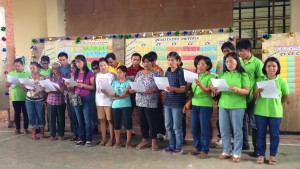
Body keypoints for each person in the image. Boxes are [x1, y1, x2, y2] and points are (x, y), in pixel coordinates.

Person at [210, 52, 250, 163]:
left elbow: (247, 91)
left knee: (237, 130)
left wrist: (237, 89)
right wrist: (214, 89)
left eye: (231, 61)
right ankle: (226, 151)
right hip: (223, 105)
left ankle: (237, 153)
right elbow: (218, 89)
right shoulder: (223, 74)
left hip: (238, 106)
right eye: (227, 62)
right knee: (224, 129)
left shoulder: (243, 75)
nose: (229, 64)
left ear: (237, 61)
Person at [254, 57, 289, 165]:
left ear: (277, 68)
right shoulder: (259, 80)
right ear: (265, 68)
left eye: (274, 66)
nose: (271, 68)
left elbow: (285, 96)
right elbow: (254, 95)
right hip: (260, 112)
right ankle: (261, 155)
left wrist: (277, 104)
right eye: (268, 66)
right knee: (260, 134)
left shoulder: (282, 81)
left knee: (274, 135)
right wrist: (256, 91)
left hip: (275, 113)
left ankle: (272, 155)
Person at [237, 39, 264, 157]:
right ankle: (244, 144)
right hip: (240, 98)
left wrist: (256, 95)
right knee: (241, 123)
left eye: (242, 51)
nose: (240, 54)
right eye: (238, 51)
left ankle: (257, 149)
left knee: (254, 124)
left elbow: (262, 79)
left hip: (253, 98)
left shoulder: (257, 63)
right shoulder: (239, 62)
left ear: (248, 50)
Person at [129, 54, 161, 151]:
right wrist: (132, 90)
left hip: (151, 101)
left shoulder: (156, 73)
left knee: (152, 122)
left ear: (152, 62)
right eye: (144, 62)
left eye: (148, 62)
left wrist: (154, 90)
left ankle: (154, 141)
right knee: (142, 121)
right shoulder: (139, 73)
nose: (146, 64)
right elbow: (134, 85)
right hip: (139, 101)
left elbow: (161, 87)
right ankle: (144, 140)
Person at [189, 55, 215, 158]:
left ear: (207, 66)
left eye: (203, 64)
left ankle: (205, 149)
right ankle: (197, 147)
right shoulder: (195, 76)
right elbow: (192, 91)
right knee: (194, 127)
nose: (200, 66)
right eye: (198, 64)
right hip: (195, 104)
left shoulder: (211, 77)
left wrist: (200, 85)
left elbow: (210, 94)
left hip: (205, 105)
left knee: (204, 128)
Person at [67, 55, 95, 146]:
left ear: (84, 62)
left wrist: (84, 86)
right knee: (79, 119)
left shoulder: (90, 73)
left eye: (79, 62)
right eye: (76, 62)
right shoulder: (74, 73)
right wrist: (69, 85)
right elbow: (71, 87)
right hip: (76, 97)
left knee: (87, 120)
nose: (77, 64)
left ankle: (88, 139)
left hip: (86, 97)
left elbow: (93, 87)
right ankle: (81, 138)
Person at [162, 52, 186, 155]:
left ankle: (179, 147)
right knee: (168, 126)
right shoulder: (167, 72)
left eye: (172, 60)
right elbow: (166, 86)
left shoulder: (180, 72)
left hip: (177, 104)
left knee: (177, 127)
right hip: (168, 102)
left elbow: (183, 89)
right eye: (169, 60)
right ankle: (171, 145)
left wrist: (173, 89)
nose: (170, 62)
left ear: (178, 61)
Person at [105, 66, 132, 148]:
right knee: (117, 124)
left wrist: (115, 97)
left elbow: (125, 95)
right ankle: (117, 142)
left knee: (128, 124)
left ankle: (128, 142)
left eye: (120, 72)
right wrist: (106, 92)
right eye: (117, 72)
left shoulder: (129, 82)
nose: (118, 74)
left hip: (126, 105)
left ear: (125, 73)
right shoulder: (114, 82)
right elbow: (110, 93)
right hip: (115, 106)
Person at [215, 42, 235, 146]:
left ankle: (233, 137)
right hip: (221, 93)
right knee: (221, 118)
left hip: (234, 94)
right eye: (224, 51)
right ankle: (221, 136)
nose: (226, 53)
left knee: (234, 119)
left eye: (228, 51)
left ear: (233, 51)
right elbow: (217, 76)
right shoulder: (219, 62)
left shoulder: (238, 62)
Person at [21, 62, 47, 140]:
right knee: (31, 116)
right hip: (29, 100)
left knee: (40, 115)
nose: (32, 70)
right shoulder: (28, 78)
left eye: (34, 68)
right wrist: (22, 86)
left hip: (40, 99)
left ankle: (42, 133)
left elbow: (44, 90)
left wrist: (39, 89)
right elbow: (26, 90)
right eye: (31, 68)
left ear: (38, 69)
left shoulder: (43, 78)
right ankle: (33, 134)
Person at [5, 58, 31, 134]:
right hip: (16, 97)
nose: (17, 67)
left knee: (26, 113)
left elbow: (31, 84)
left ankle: (26, 128)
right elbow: (6, 85)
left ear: (22, 65)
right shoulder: (11, 74)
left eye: (18, 66)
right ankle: (18, 128)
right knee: (17, 113)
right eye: (15, 66)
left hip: (26, 96)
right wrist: (8, 84)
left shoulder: (28, 73)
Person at [96, 58, 116, 146]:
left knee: (110, 120)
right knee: (102, 120)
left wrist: (107, 92)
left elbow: (114, 89)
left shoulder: (112, 75)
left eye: (104, 65)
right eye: (101, 66)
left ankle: (112, 139)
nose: (103, 67)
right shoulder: (97, 75)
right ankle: (103, 139)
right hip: (99, 101)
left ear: (108, 65)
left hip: (109, 101)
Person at [47, 62, 66, 141]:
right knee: (51, 119)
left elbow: (63, 88)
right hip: (51, 101)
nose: (55, 69)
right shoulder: (49, 77)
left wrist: (61, 89)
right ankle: (52, 135)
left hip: (61, 100)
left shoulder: (64, 77)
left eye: (56, 68)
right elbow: (47, 88)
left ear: (60, 68)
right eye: (53, 68)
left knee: (61, 119)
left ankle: (61, 134)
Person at [148, 51, 165, 140]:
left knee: (159, 115)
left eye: (151, 61)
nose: (149, 63)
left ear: (154, 60)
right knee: (151, 116)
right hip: (148, 97)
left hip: (158, 97)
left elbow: (161, 85)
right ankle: (153, 132)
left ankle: (161, 132)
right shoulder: (146, 70)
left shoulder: (159, 70)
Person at [65, 60, 79, 141]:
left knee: (77, 117)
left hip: (76, 97)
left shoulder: (80, 75)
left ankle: (80, 134)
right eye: (71, 68)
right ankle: (75, 134)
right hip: (69, 97)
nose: (72, 70)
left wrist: (72, 87)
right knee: (72, 116)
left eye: (74, 68)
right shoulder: (68, 74)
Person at [90, 60, 100, 133]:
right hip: (93, 94)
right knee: (93, 111)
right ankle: (94, 126)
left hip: (102, 95)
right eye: (93, 69)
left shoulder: (104, 75)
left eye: (96, 68)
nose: (95, 70)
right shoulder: (92, 75)